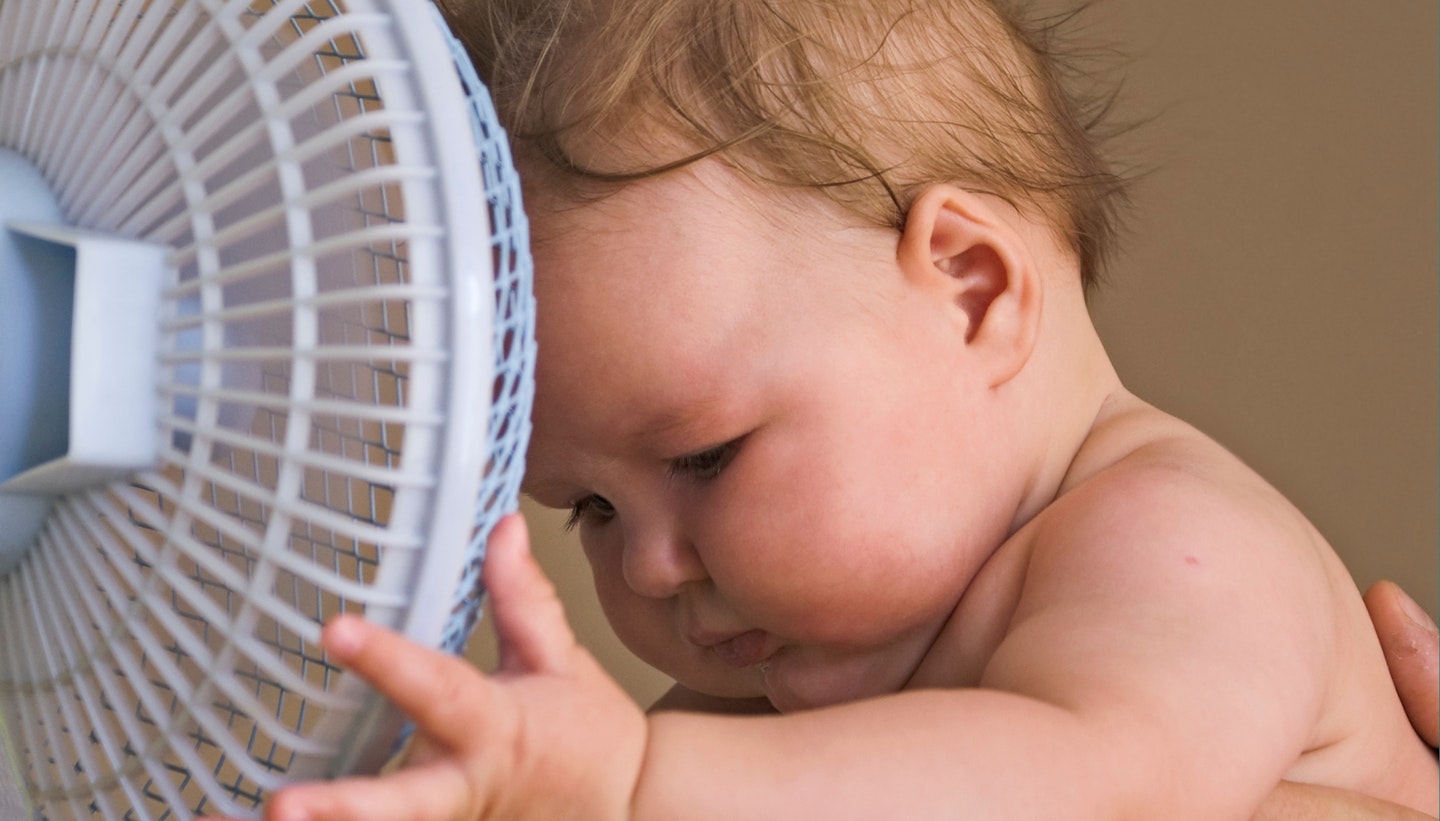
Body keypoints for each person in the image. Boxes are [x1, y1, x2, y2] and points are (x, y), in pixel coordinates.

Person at [237, 1, 1440, 818]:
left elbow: (1086, 785)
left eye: (706, 456)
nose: (649, 566)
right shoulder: (785, 677)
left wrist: (637, 776)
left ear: (974, 294)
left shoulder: (1175, 548)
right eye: (591, 506)